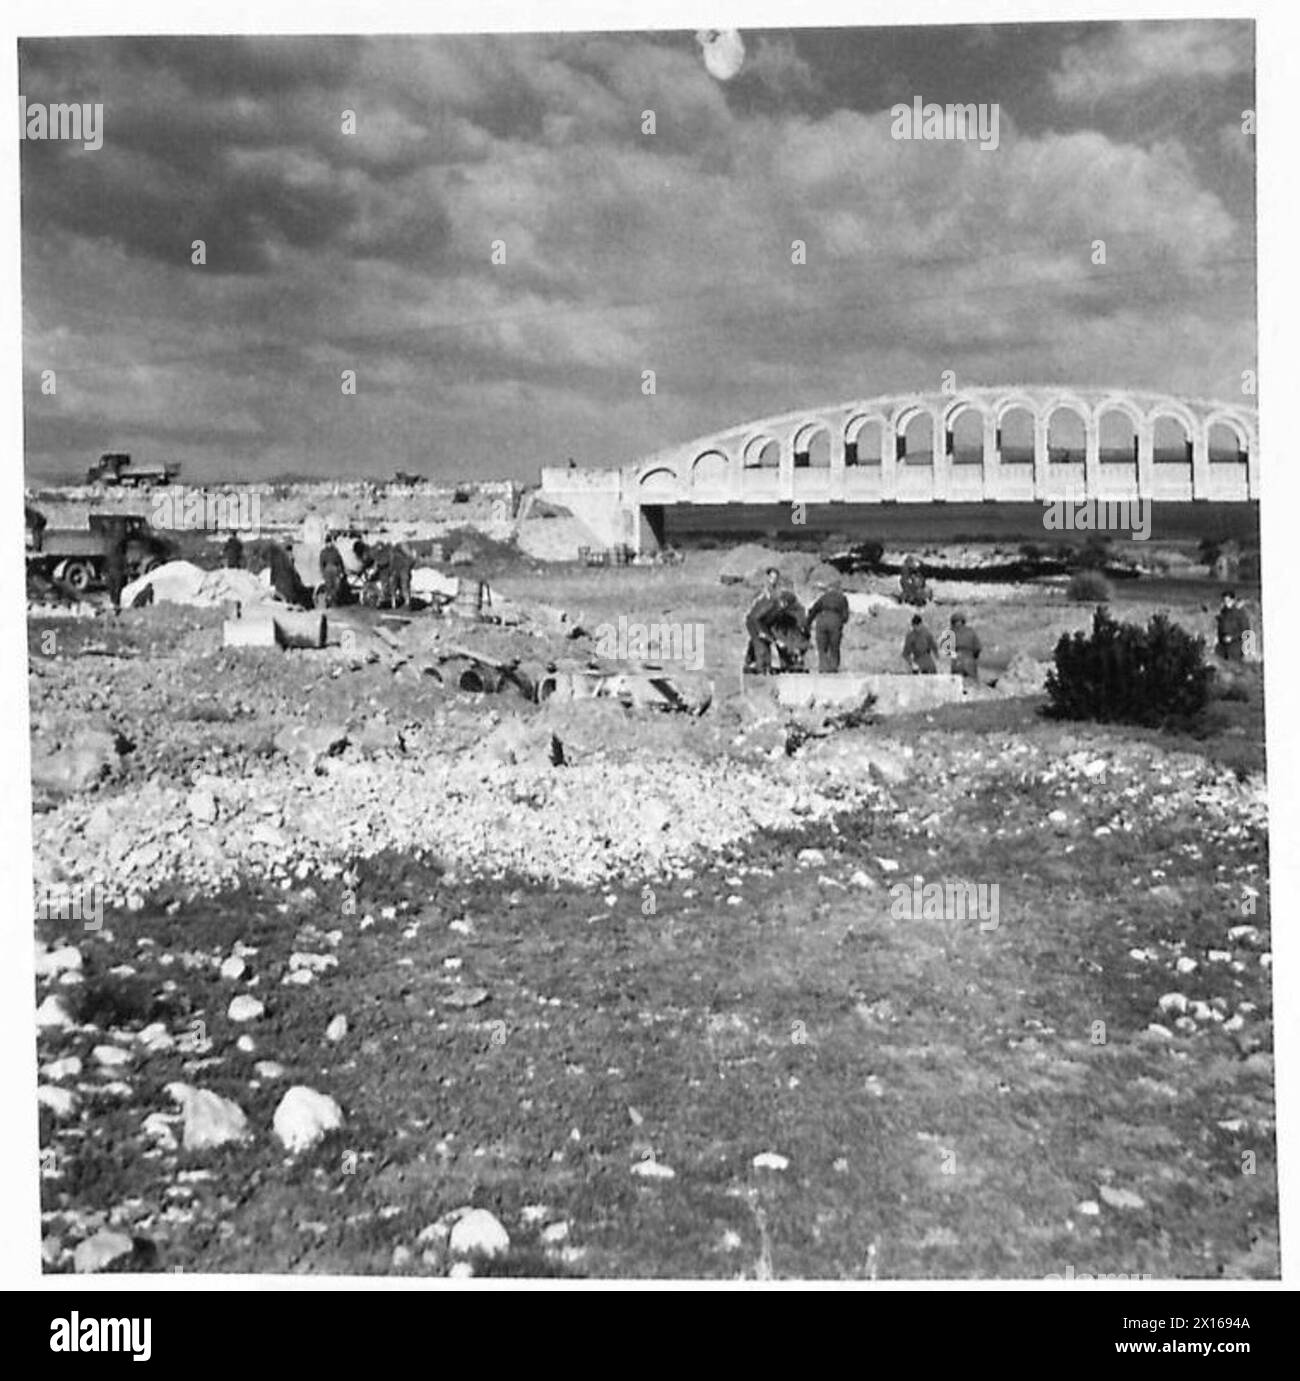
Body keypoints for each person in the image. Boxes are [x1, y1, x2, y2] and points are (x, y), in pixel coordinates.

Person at [805, 578, 850, 673]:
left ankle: (823, 667)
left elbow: (813, 610)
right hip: (835, 620)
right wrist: (841, 622)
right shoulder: (842, 598)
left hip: (822, 619)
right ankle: (833, 668)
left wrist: (807, 623)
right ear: (838, 588)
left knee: (822, 647)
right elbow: (845, 616)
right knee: (834, 646)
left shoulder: (823, 597)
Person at [744, 567, 782, 674]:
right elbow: (756, 614)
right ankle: (760, 671)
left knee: (763, 644)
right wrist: (761, 631)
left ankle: (751, 662)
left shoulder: (776, 592)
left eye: (776, 578)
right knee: (761, 646)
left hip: (763, 621)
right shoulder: (765, 591)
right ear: (767, 578)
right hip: (755, 621)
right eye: (771, 577)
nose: (773, 580)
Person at [1215, 590, 1251, 662]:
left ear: (1233, 600)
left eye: (1228, 601)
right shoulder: (1222, 613)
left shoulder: (1240, 613)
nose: (1226, 603)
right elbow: (1220, 629)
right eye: (1224, 601)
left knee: (1233, 669)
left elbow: (1246, 632)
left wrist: (1232, 638)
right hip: (1222, 648)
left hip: (1235, 648)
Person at [949, 612, 982, 681]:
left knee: (956, 685)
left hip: (957, 661)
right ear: (963, 621)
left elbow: (949, 651)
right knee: (972, 686)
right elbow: (978, 648)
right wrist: (973, 656)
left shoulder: (951, 632)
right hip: (969, 661)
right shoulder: (971, 631)